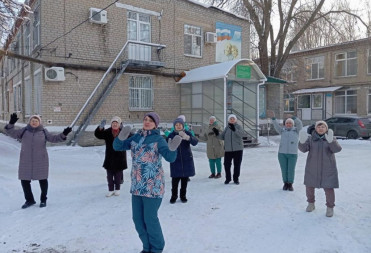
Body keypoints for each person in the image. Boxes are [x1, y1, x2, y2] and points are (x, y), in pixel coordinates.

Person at [113, 112, 182, 253]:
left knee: (150, 220)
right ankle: (146, 247)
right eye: (145, 119)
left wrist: (173, 149)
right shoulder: (136, 138)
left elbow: (170, 158)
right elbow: (117, 147)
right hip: (137, 186)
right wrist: (120, 137)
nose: (147, 122)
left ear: (156, 124)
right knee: (138, 220)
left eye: (150, 120)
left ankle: (156, 249)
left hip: (153, 186)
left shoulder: (158, 139)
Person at [4, 113, 72, 209]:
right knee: (24, 180)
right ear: (30, 122)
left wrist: (64, 134)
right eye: (32, 121)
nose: (34, 122)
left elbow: (54, 138)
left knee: (43, 180)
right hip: (26, 160)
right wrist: (11, 123)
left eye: (36, 121)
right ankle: (29, 200)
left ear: (39, 122)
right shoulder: (24, 131)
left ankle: (43, 199)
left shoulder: (44, 131)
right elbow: (11, 132)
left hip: (41, 159)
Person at [298, 120, 342, 217]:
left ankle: (330, 208)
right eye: (318, 127)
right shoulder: (311, 139)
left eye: (323, 127)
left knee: (329, 188)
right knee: (309, 186)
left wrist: (332, 141)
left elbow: (337, 149)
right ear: (315, 128)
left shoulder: (330, 137)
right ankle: (311, 203)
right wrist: (301, 142)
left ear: (326, 129)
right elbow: (303, 150)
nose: (320, 129)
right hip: (312, 168)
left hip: (328, 168)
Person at [268, 111, 302, 191]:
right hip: (282, 154)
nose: (288, 124)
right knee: (284, 169)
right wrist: (273, 118)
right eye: (287, 123)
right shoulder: (282, 131)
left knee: (291, 169)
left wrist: (293, 117)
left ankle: (290, 184)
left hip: (293, 154)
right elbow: (276, 126)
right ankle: (285, 183)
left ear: (293, 124)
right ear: (285, 124)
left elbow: (300, 123)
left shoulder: (297, 131)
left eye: (290, 123)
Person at [94, 116, 128, 197]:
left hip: (120, 157)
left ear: (120, 124)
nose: (115, 124)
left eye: (116, 123)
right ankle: (111, 190)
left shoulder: (122, 132)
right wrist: (100, 127)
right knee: (109, 175)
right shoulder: (107, 132)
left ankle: (117, 189)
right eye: (113, 123)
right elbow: (98, 135)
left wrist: (125, 131)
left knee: (118, 176)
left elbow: (130, 137)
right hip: (110, 157)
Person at [167, 117, 198, 204]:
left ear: (183, 125)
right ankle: (174, 196)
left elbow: (195, 142)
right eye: (176, 125)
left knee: (184, 180)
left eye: (180, 125)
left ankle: (183, 196)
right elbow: (167, 145)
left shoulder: (187, 133)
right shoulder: (171, 135)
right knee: (175, 181)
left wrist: (188, 138)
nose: (178, 126)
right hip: (175, 160)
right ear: (174, 126)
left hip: (186, 160)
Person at [219, 114, 244, 185]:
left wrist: (235, 130)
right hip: (228, 150)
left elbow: (241, 135)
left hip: (238, 149)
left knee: (237, 165)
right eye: (231, 119)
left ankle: (236, 179)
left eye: (233, 119)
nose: (232, 120)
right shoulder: (227, 128)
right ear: (228, 120)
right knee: (226, 165)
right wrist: (217, 133)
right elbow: (222, 137)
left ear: (235, 120)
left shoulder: (239, 126)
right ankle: (228, 178)